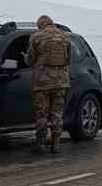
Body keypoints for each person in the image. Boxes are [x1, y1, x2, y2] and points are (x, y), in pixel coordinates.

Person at [26, 15, 72, 154]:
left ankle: (41, 143)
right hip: (61, 82)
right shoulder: (65, 37)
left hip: (42, 83)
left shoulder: (36, 37)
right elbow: (68, 59)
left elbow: (30, 60)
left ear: (41, 25)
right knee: (57, 114)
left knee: (42, 114)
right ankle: (56, 143)